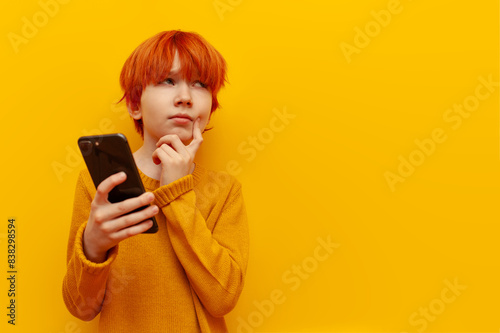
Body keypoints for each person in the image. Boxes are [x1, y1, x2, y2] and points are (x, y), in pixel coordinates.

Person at [62, 30, 249, 332]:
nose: (185, 97)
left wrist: (177, 194)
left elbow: (223, 298)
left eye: (200, 84)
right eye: (168, 81)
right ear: (135, 103)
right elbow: (81, 308)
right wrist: (93, 247)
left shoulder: (224, 191)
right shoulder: (101, 185)